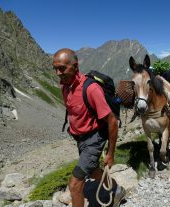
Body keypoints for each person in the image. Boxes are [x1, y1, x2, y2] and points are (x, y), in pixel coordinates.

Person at [52, 48, 125, 207]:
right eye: (55, 68)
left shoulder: (91, 89)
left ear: (75, 66)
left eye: (62, 68)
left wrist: (111, 153)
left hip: (94, 139)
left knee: (75, 184)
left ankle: (116, 190)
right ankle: (117, 190)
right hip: (81, 139)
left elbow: (112, 121)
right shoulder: (65, 86)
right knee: (93, 171)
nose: (58, 73)